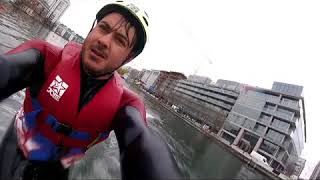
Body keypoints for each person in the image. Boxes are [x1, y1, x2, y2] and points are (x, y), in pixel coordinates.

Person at [0, 1, 181, 179]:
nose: (104, 41)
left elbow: (140, 141)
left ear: (129, 57)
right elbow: (7, 68)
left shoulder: (124, 105)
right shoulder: (44, 58)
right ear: (92, 29)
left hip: (57, 168)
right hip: (15, 147)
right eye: (103, 28)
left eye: (119, 40)